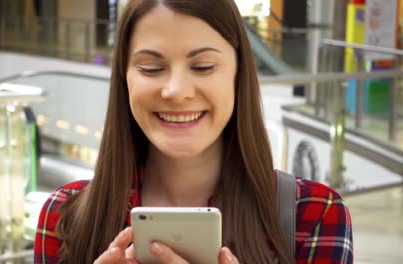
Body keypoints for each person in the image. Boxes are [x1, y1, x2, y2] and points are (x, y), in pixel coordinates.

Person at [34, 0, 354, 263]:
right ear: (125, 79)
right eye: (151, 68)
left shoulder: (314, 215)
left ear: (238, 75)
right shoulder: (64, 217)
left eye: (202, 67)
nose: (176, 91)